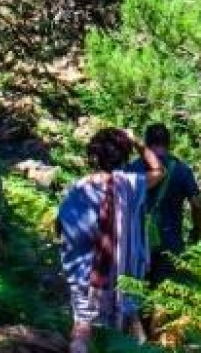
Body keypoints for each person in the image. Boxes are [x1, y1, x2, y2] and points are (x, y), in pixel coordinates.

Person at [56, 127, 163, 353]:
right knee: (128, 321)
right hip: (127, 272)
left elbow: (63, 228)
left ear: (94, 156)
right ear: (124, 156)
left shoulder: (78, 188)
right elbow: (158, 170)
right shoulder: (131, 184)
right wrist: (137, 142)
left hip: (85, 273)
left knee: (83, 325)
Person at [127, 123, 201, 285]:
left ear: (147, 142)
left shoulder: (133, 168)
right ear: (169, 143)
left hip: (138, 243)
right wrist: (196, 232)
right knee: (169, 294)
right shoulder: (182, 170)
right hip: (171, 243)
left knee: (137, 291)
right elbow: (197, 205)